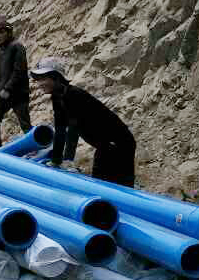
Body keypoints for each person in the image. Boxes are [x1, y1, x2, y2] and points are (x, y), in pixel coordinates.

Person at [29, 56, 137, 186]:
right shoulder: (57, 98)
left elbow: (73, 129)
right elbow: (60, 130)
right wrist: (56, 161)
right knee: (99, 184)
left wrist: (67, 160)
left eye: (43, 79)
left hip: (119, 143)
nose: (40, 84)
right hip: (104, 146)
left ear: (56, 77)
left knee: (118, 187)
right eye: (38, 80)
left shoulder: (74, 95)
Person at [0, 20, 31, 149]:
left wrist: (7, 88)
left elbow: (19, 71)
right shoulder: (1, 52)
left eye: (0, 32)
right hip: (5, 94)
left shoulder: (17, 47)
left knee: (25, 123)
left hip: (19, 93)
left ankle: (36, 147)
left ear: (8, 32)